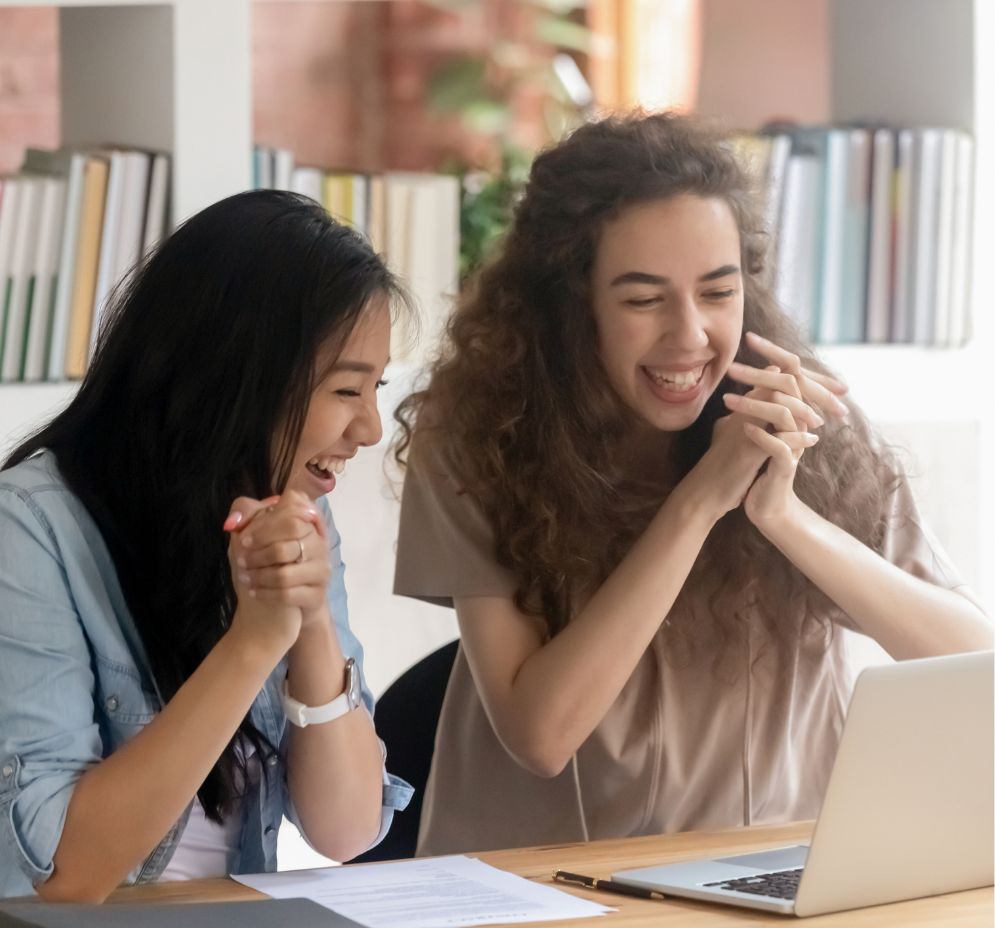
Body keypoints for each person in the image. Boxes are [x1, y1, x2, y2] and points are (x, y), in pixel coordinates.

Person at [392, 112, 992, 855]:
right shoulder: (478, 437)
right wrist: (702, 500)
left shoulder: (801, 416)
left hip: (770, 874)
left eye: (717, 292)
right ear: (569, 302)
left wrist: (788, 519)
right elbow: (540, 736)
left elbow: (973, 664)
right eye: (643, 299)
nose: (689, 336)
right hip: (539, 885)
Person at [0, 190, 413, 901]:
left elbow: (344, 830)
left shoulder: (296, 514)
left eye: (376, 388)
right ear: (239, 375)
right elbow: (65, 878)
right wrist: (251, 642)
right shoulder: (30, 530)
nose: (370, 429)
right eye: (348, 390)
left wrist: (308, 619)